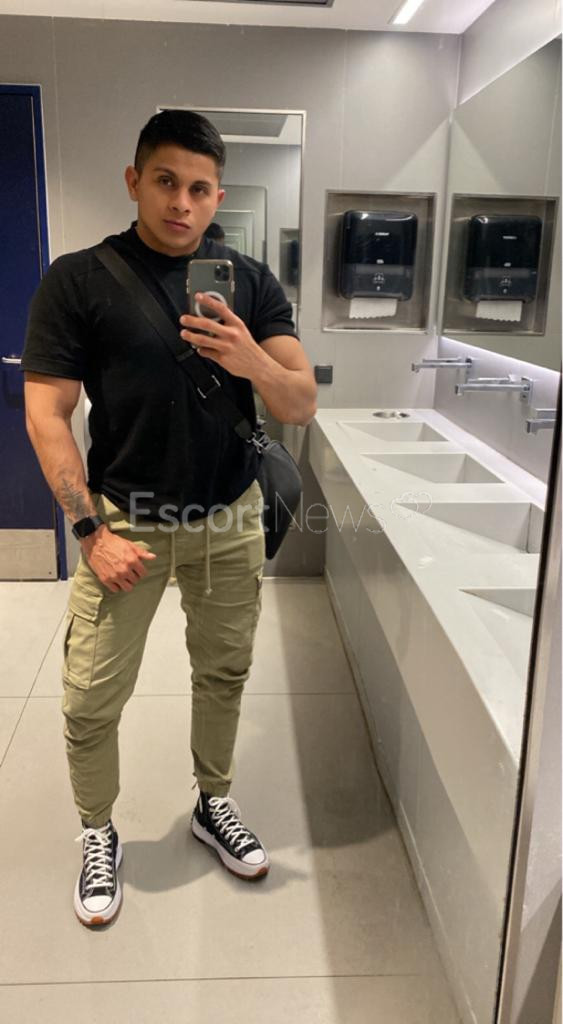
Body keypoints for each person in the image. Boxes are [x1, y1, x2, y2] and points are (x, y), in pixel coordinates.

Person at [22, 109, 317, 928]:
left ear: (217, 195)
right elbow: (47, 413)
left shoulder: (249, 282)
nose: (181, 203)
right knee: (90, 697)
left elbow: (299, 401)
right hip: (126, 523)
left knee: (223, 673)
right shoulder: (78, 280)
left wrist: (249, 359)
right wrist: (89, 532)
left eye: (198, 188)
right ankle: (98, 830)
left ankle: (212, 802)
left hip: (229, 515)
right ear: (134, 181)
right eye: (165, 182)